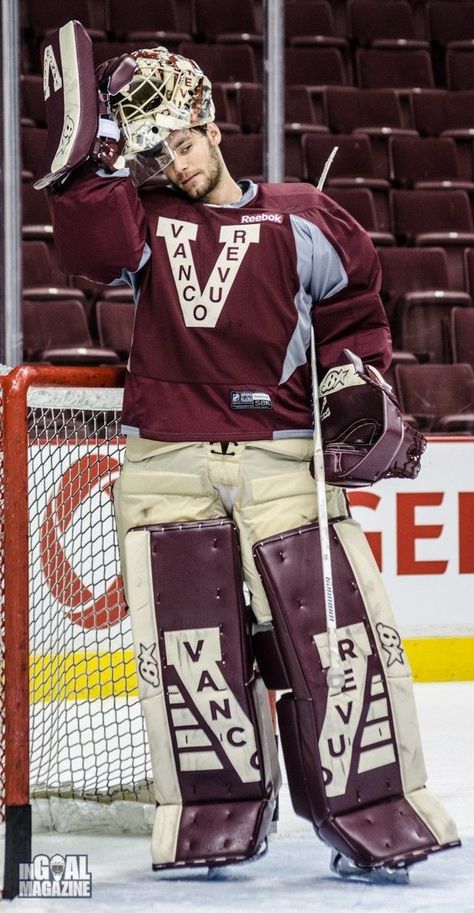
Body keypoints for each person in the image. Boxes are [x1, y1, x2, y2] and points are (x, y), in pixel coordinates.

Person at [40, 32, 459, 883]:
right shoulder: (144, 220)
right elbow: (90, 253)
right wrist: (92, 162)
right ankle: (214, 815)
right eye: (158, 152)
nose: (178, 164)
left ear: (213, 126)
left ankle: (373, 809)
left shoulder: (304, 215)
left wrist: (358, 378)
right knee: (194, 649)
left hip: (282, 460)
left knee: (337, 642)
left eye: (184, 142)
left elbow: (356, 315)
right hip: (167, 461)